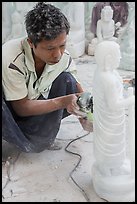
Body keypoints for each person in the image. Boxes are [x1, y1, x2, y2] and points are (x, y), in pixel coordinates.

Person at [2, 2, 88, 153]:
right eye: (50, 48)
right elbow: (21, 108)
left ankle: (37, 138)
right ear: (31, 42)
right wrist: (64, 101)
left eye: (62, 45)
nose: (57, 54)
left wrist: (86, 113)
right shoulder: (11, 57)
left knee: (67, 80)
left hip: (33, 107)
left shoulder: (63, 58)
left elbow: (78, 89)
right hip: (10, 112)